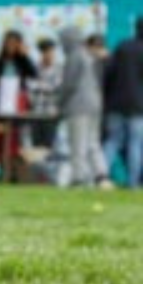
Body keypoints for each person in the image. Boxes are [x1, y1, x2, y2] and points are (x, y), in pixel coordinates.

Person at [55, 27, 104, 188]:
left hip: (78, 106)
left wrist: (59, 104)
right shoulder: (87, 55)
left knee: (78, 144)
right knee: (92, 142)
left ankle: (79, 178)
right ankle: (101, 174)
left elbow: (69, 84)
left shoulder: (74, 56)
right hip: (95, 104)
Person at [103, 17, 143, 188]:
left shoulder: (122, 46)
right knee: (136, 144)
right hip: (138, 106)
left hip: (115, 103)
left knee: (113, 141)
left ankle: (100, 177)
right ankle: (133, 183)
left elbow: (108, 73)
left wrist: (107, 96)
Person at [0, 31, 37, 117]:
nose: (11, 45)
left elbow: (34, 74)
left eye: (15, 43)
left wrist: (25, 56)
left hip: (19, 109)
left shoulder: (22, 62)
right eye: (9, 42)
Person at [26, 38, 61, 147]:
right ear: (41, 53)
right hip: (35, 112)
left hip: (51, 113)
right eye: (45, 51)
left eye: (51, 51)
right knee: (35, 144)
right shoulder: (35, 68)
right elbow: (29, 85)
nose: (48, 54)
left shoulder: (59, 68)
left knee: (48, 145)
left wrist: (38, 86)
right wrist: (41, 86)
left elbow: (55, 87)